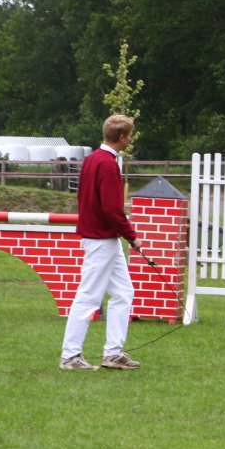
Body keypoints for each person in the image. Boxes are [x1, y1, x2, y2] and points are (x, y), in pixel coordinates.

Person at [59, 114, 142, 371]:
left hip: (104, 237)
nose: (130, 139)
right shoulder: (107, 164)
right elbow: (111, 207)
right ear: (122, 137)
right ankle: (70, 356)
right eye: (129, 135)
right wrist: (131, 235)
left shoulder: (93, 159)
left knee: (123, 293)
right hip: (101, 238)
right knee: (89, 297)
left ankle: (113, 353)